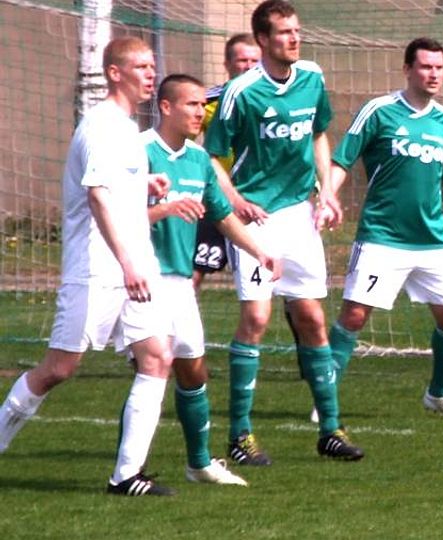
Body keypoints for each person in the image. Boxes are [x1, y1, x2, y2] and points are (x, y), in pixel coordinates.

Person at [0, 37, 177, 495]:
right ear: (114, 73)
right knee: (58, 369)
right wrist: (126, 263)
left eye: (152, 66)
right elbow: (97, 197)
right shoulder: (100, 126)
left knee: (157, 357)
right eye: (140, 66)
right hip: (98, 268)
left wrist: (146, 184)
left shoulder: (128, 129)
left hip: (135, 267)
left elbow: (115, 186)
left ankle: (127, 476)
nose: (150, 74)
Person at [203, 0, 362, 464]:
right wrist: (235, 200)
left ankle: (331, 430)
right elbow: (211, 156)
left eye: (297, 30)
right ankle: (240, 436)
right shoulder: (241, 91)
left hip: (299, 215)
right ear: (263, 40)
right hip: (257, 220)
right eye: (284, 32)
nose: (294, 38)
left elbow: (318, 133)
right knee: (256, 318)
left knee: (312, 318)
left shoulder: (312, 77)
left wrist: (326, 191)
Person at [325, 37, 443, 422]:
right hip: (382, 237)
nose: (433, 74)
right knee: (354, 315)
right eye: (425, 67)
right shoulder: (379, 111)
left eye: (439, 67)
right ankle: (325, 400)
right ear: (407, 69)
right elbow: (342, 159)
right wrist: (327, 196)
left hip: (431, 240)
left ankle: (438, 394)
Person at [145, 73, 284, 486]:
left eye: (200, 106)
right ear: (166, 107)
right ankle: (127, 473)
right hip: (140, 279)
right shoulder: (139, 152)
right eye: (191, 105)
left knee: (193, 371)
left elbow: (222, 215)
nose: (200, 114)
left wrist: (258, 250)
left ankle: (199, 463)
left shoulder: (199, 160)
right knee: (148, 369)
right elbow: (110, 213)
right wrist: (162, 211)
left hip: (178, 282)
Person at [192, 33, 260, 292]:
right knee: (193, 271)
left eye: (255, 61)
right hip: (218, 199)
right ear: (227, 64)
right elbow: (181, 144)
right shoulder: (208, 102)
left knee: (287, 283)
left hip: (263, 199)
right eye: (242, 60)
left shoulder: (275, 100)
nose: (249, 66)